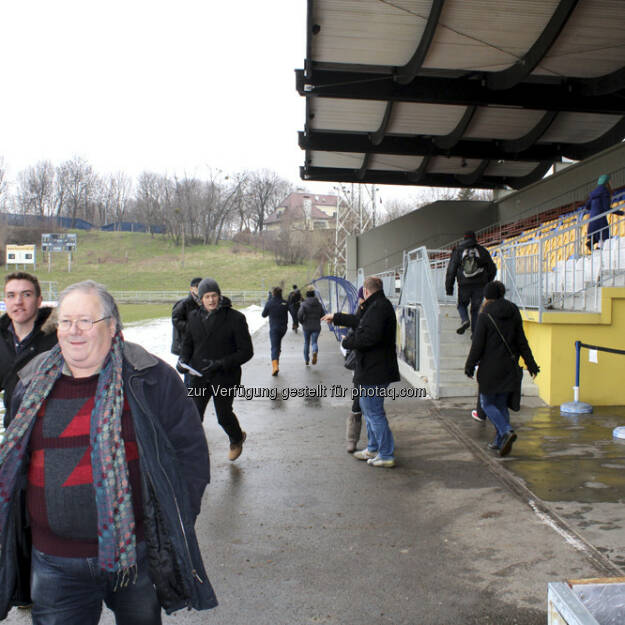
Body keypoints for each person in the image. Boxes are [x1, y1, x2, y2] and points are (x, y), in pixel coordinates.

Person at [0, 280, 216, 623]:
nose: (74, 331)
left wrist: (175, 518)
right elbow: (16, 465)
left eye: (86, 321)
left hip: (138, 556)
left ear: (112, 326)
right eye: (66, 321)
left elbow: (190, 452)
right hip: (54, 562)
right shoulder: (29, 382)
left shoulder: (150, 377)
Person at [322, 276, 399, 468]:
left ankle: (386, 454)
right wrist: (337, 316)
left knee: (373, 412)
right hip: (373, 368)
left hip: (375, 370)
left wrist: (347, 342)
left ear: (365, 291)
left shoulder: (378, 308)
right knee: (369, 409)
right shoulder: (376, 305)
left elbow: (369, 336)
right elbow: (358, 321)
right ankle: (373, 448)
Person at [180, 278, 253, 461]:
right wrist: (182, 361)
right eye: (207, 296)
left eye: (214, 296)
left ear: (219, 296)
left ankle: (236, 438)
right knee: (194, 416)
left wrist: (221, 363)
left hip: (225, 377)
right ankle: (192, 455)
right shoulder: (193, 317)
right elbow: (188, 345)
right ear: (200, 299)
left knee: (223, 415)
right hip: (199, 376)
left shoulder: (235, 318)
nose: (211, 300)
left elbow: (246, 352)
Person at [464, 280, 539, 457]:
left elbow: (478, 345)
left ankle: (506, 430)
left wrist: (470, 365)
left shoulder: (484, 316)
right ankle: (499, 442)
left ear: (487, 296)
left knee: (487, 403)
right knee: (501, 405)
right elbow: (522, 341)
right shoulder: (514, 312)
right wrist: (531, 363)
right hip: (510, 367)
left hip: (490, 369)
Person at [0, 272, 58, 428]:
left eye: (26, 295)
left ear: (39, 300)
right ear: (5, 301)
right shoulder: (2, 339)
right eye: (11, 295)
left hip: (51, 431)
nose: (18, 302)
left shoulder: (59, 337)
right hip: (14, 433)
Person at [445, 230, 497, 336]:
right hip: (480, 285)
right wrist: (487, 281)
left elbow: (451, 270)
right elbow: (492, 268)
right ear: (474, 238)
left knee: (461, 305)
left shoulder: (458, 251)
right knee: (476, 309)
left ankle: (464, 320)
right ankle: (475, 334)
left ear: (464, 238)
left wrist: (449, 288)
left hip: (464, 285)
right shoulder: (482, 250)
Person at [344, 286, 365, 453]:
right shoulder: (359, 315)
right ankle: (352, 439)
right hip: (361, 365)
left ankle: (354, 440)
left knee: (366, 404)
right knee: (360, 401)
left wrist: (347, 342)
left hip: (369, 366)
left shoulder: (374, 313)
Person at [584, 174, 623, 250]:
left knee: (597, 234)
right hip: (600, 217)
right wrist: (620, 213)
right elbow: (607, 208)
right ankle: (599, 248)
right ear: (607, 183)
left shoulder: (593, 193)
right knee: (604, 234)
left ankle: (591, 244)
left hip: (592, 217)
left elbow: (587, 206)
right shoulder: (605, 192)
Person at [171, 277, 202, 356]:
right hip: (183, 345)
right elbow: (175, 320)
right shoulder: (183, 304)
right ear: (191, 288)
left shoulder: (204, 303)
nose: (200, 289)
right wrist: (190, 327)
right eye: (197, 286)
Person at [262, 286, 289, 376]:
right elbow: (292, 311)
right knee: (278, 346)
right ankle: (277, 363)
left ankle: (275, 367)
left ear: (273, 293)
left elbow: (263, 315)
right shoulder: (285, 303)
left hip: (274, 329)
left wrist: (268, 304)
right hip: (283, 329)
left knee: (274, 347)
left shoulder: (270, 303)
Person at [297, 285, 323, 366]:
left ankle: (306, 360)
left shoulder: (304, 304)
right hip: (316, 326)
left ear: (307, 295)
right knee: (314, 342)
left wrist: (302, 322)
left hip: (307, 326)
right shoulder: (319, 304)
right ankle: (314, 351)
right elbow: (323, 315)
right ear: (314, 295)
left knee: (306, 343)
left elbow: (299, 315)